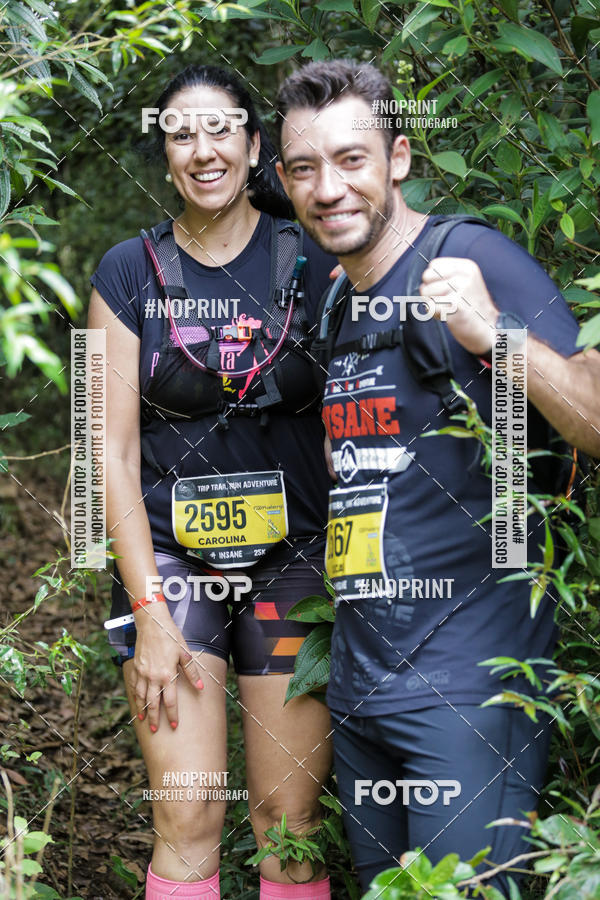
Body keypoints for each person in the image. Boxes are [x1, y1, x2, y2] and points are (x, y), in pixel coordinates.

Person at [274, 60, 600, 895]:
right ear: (283, 180)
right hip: (359, 685)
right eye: (306, 169)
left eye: (353, 159)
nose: (330, 188)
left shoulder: (471, 255)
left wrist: (497, 335)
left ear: (400, 158)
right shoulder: (336, 300)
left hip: (467, 684)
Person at [88, 65, 336, 900]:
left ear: (254, 144)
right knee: (188, 812)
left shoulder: (312, 257)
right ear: (164, 156)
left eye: (222, 130)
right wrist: (149, 610)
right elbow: (110, 454)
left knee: (288, 820)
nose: (203, 151)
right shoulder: (123, 272)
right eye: (182, 134)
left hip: (296, 561)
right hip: (172, 565)